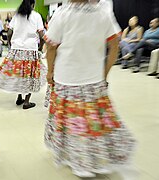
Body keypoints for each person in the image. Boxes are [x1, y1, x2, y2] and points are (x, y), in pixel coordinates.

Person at [44, 0, 135, 178]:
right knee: (94, 120)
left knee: (71, 121)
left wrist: (50, 71)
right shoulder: (103, 13)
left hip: (67, 77)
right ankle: (95, 159)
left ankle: (77, 159)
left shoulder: (62, 14)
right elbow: (115, 45)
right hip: (93, 78)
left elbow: (51, 47)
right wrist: (104, 74)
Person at [0, 0, 46, 109]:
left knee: (19, 74)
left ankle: (19, 97)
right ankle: (26, 102)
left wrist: (11, 44)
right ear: (33, 4)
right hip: (31, 49)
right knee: (30, 75)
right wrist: (40, 47)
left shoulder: (17, 16)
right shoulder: (36, 16)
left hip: (17, 49)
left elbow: (10, 32)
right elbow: (41, 34)